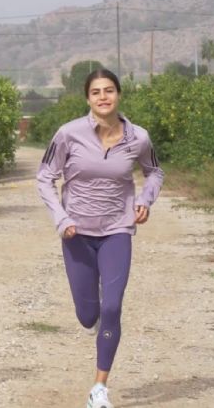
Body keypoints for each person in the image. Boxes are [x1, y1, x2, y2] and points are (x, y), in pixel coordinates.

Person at [36, 68, 164, 408]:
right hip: (76, 232)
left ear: (119, 94)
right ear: (88, 98)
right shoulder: (68, 134)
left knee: (112, 306)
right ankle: (92, 322)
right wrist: (61, 219)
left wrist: (145, 199)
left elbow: (154, 171)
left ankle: (99, 388)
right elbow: (44, 177)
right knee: (87, 314)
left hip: (117, 230)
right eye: (96, 92)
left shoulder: (139, 137)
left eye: (109, 90)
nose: (103, 97)